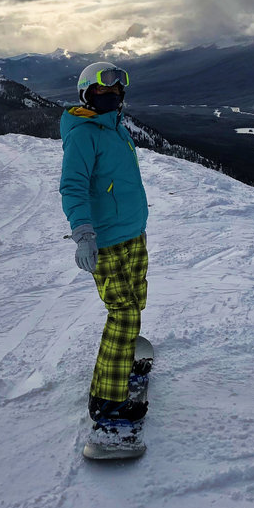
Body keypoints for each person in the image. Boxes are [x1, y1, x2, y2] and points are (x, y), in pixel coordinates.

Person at [59, 61, 150, 426]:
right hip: (107, 240)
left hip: (133, 232)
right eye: (101, 90)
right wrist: (83, 234)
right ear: (87, 95)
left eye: (115, 90)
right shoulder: (84, 134)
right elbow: (72, 186)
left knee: (136, 300)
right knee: (123, 313)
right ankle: (107, 401)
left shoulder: (115, 127)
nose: (110, 95)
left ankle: (120, 364)